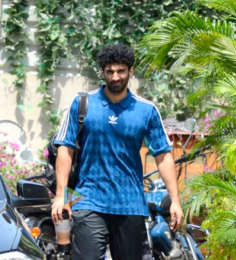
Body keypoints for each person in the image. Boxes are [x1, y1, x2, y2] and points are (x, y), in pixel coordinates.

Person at [51, 43, 184, 260]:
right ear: (102, 72)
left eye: (121, 71)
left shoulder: (146, 110)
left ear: (130, 71)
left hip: (130, 204)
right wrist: (60, 195)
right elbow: (66, 149)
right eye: (110, 71)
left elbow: (163, 155)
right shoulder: (82, 104)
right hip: (88, 200)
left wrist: (175, 201)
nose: (115, 77)